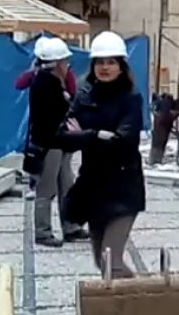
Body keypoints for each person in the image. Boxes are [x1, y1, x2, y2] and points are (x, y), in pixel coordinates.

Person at [56, 31, 145, 278]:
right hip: (93, 188)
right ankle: (120, 309)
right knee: (100, 261)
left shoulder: (131, 98)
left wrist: (86, 135)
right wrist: (96, 136)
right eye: (100, 62)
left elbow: (123, 142)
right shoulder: (85, 95)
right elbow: (62, 136)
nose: (105, 67)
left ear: (121, 66)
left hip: (123, 188)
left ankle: (145, 302)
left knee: (110, 259)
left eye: (111, 62)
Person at [27, 37, 89, 247]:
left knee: (66, 186)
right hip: (50, 144)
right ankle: (43, 232)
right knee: (47, 189)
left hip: (59, 144)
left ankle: (70, 226)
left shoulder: (51, 82)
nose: (67, 65)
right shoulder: (47, 85)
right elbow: (54, 119)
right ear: (56, 64)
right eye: (64, 61)